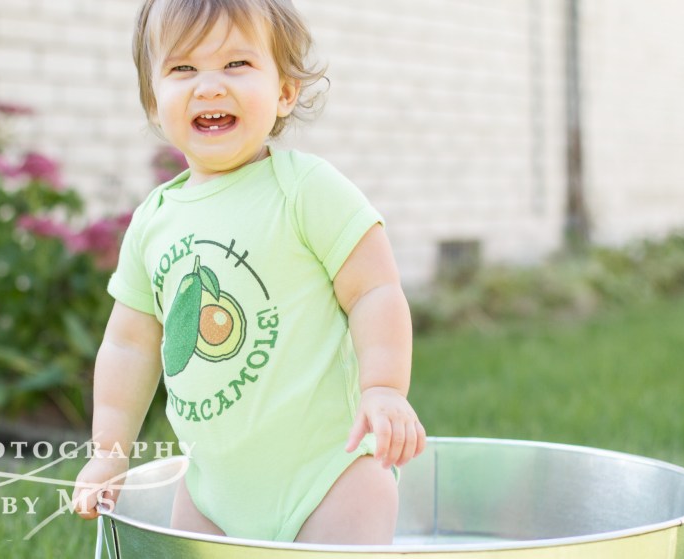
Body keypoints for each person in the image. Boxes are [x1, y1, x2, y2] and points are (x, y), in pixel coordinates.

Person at [73, 0, 426, 544]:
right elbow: (128, 346)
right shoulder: (152, 222)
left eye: (236, 64)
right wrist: (108, 453)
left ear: (284, 91)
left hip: (330, 477)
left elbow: (374, 290)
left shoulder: (304, 189)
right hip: (211, 492)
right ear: (154, 101)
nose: (209, 86)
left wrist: (383, 387)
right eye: (183, 68)